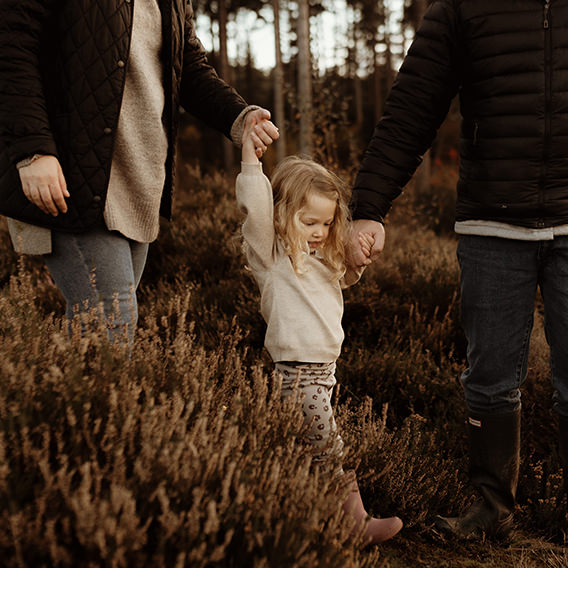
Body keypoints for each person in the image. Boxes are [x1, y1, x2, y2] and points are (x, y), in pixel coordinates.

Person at [348, 0, 568, 540]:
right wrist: (369, 208)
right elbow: (411, 111)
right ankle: (491, 510)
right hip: (492, 224)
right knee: (490, 379)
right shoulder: (462, 6)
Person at [0, 0, 278, 343]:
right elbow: (11, 49)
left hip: (139, 182)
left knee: (106, 338)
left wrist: (238, 116)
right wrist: (33, 150)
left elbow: (189, 68)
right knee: (111, 333)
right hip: (72, 179)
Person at [235, 114, 403, 544]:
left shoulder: (322, 259)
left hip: (323, 372)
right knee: (329, 449)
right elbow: (254, 210)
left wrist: (357, 257)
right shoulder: (272, 255)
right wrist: (252, 165)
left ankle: (292, 520)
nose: (319, 232)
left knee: (302, 449)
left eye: (327, 224)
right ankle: (355, 525)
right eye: (309, 222)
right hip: (295, 373)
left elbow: (344, 276)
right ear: (282, 215)